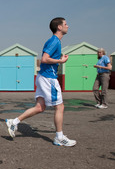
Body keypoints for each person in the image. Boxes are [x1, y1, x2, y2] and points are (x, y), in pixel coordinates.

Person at [5, 17, 76, 147]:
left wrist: (59, 58)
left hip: (43, 77)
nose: (68, 26)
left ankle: (14, 122)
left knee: (40, 107)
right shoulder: (54, 41)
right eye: (65, 24)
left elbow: (48, 58)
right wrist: (60, 61)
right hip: (49, 78)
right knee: (60, 106)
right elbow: (44, 59)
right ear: (59, 27)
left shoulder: (55, 42)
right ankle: (59, 137)